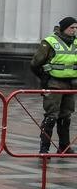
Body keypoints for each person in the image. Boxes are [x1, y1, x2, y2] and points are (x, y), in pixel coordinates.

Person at [30, 16, 77, 154]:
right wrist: (45, 78)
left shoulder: (75, 42)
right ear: (64, 28)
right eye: (71, 28)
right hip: (54, 84)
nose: (74, 30)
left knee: (66, 116)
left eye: (76, 28)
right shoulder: (50, 42)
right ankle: (44, 149)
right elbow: (35, 63)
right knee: (51, 116)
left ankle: (64, 147)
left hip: (71, 85)